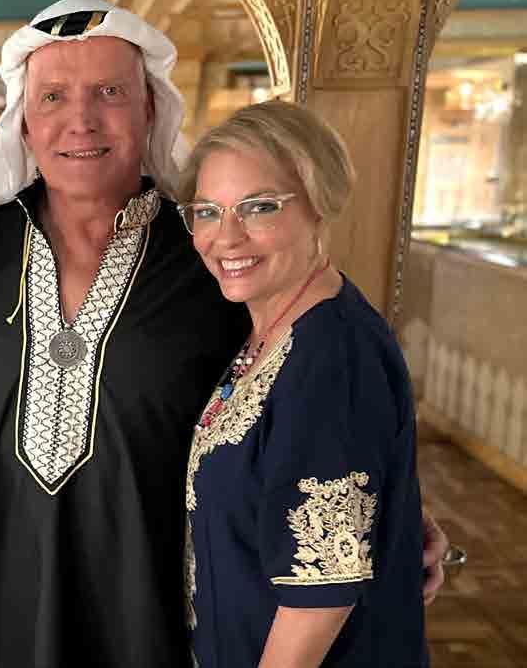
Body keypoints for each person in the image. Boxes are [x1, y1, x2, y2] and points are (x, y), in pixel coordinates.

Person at [0, 0, 448, 667]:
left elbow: (305, 409)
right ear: (23, 119)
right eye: (52, 97)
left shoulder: (209, 256)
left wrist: (389, 506)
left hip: (167, 622)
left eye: (109, 92)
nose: (80, 120)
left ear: (150, 107)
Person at [178, 102, 428, 667]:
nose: (226, 237)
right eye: (208, 212)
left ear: (321, 204)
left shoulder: (331, 357)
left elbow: (320, 595)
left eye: (259, 207)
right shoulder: (272, 326)